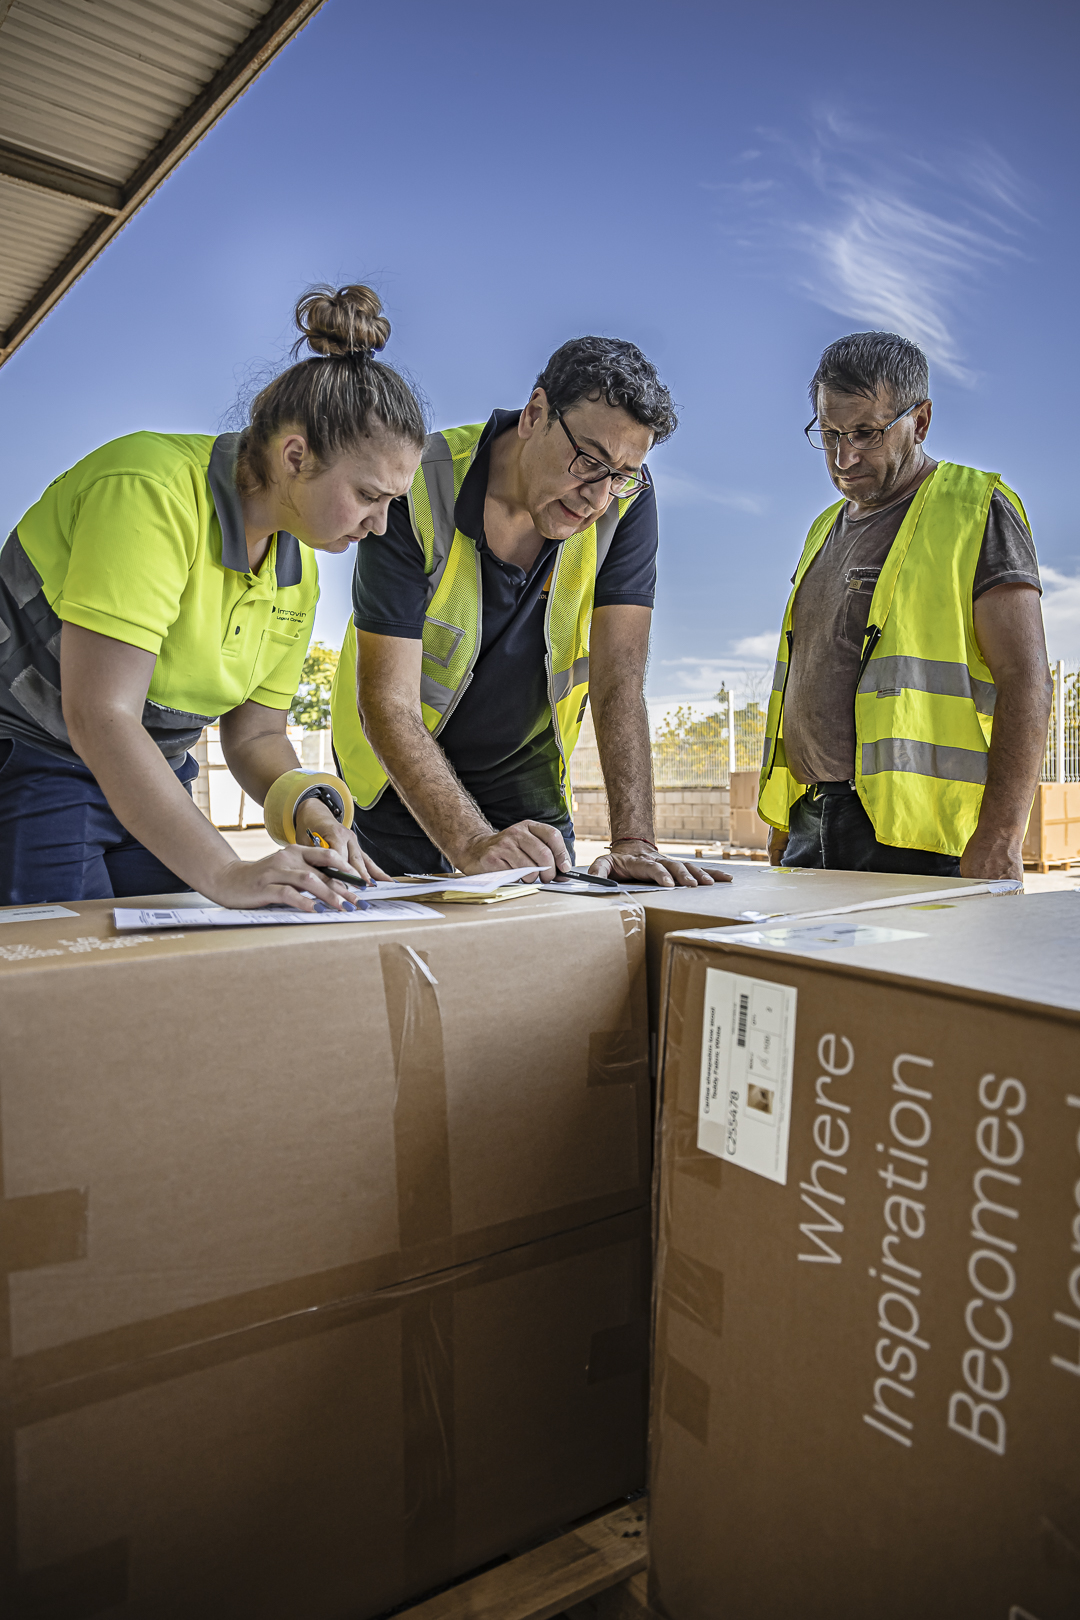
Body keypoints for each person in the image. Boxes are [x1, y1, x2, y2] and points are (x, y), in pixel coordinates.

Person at [0, 285, 426, 909]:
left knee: (182, 967)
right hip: (36, 756)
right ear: (295, 455)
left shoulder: (298, 573)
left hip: (154, 775)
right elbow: (100, 714)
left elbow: (254, 739)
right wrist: (227, 873)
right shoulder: (148, 488)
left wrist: (309, 807)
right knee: (68, 979)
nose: (380, 525)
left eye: (393, 502)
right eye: (367, 495)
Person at [330, 336, 726, 889]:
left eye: (620, 473)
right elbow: (389, 705)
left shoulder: (625, 500)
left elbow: (619, 678)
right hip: (398, 771)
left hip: (523, 768)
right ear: (535, 414)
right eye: (588, 460)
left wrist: (634, 840)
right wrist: (470, 841)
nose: (597, 496)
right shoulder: (416, 484)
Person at [759, 331, 1052, 881]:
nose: (844, 457)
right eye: (828, 435)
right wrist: (786, 827)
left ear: (919, 422)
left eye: (866, 433)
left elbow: (1026, 678)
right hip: (812, 823)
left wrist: (1002, 836)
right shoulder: (823, 529)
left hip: (922, 838)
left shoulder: (975, 509)